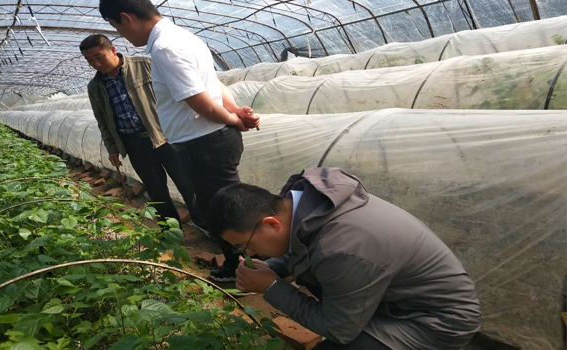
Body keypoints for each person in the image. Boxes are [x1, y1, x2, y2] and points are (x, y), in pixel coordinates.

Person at [208, 168, 482, 350]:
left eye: (245, 244)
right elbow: (302, 250)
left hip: (437, 321)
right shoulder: (305, 205)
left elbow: (339, 330)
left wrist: (271, 287)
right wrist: (274, 268)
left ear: (270, 224)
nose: (249, 253)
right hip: (399, 301)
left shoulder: (341, 249)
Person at [98, 0, 260, 282]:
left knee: (223, 209)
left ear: (127, 18)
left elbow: (201, 103)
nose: (121, 35)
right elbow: (213, 84)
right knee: (223, 204)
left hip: (204, 142)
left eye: (116, 27)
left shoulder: (165, 48)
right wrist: (235, 111)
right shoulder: (182, 36)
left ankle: (245, 269)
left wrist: (235, 119)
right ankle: (240, 264)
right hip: (209, 139)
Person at [81, 34, 200, 227]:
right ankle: (170, 231)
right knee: (156, 190)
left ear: (112, 50)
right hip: (134, 142)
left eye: (99, 57)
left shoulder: (145, 65)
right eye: (90, 60)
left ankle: (206, 224)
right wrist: (112, 147)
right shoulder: (95, 87)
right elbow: (102, 120)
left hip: (165, 136)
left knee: (187, 183)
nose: (96, 63)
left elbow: (176, 94)